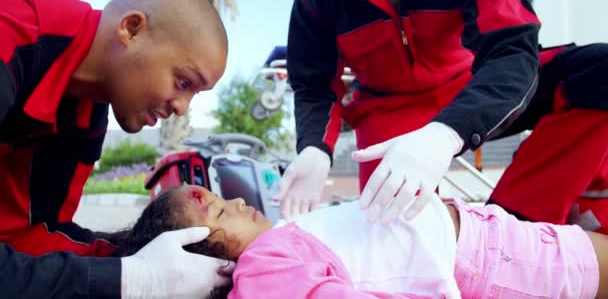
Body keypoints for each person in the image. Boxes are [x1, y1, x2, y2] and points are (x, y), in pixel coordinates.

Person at [275, 0, 608, 233]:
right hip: (387, 109)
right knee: (387, 230)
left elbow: (512, 50)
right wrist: (315, 148)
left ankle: (512, 227)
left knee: (600, 72)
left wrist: (446, 133)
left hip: (475, 86)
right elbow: (313, 84)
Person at [0, 0, 230, 297]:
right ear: (131, 29)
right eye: (183, 81)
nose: (182, 108)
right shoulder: (12, 25)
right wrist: (129, 278)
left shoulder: (89, 111)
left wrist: (145, 257)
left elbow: (36, 235)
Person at [107, 184, 608, 298]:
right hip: (498, 260)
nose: (236, 203)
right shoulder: (262, 268)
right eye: (217, 211)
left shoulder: (274, 248)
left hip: (490, 244)